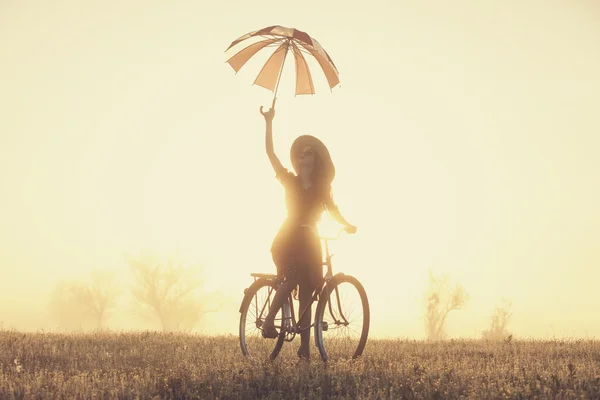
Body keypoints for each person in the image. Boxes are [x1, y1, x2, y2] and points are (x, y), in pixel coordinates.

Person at [259, 98, 357, 360]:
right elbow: (270, 154)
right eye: (302, 153)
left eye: (309, 153)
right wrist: (269, 122)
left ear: (316, 162)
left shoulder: (321, 189)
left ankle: (305, 347)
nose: (304, 155)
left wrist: (346, 225)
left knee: (307, 293)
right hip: (289, 239)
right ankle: (269, 321)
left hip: (310, 240)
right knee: (291, 277)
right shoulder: (289, 181)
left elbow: (333, 210)